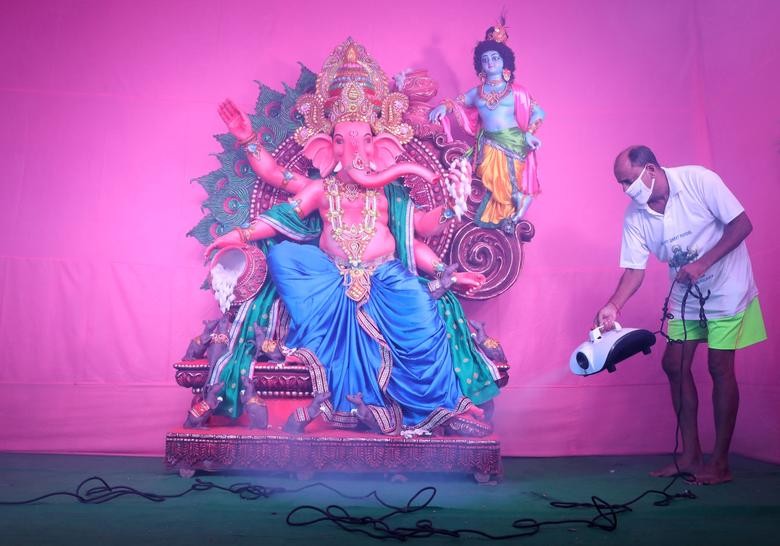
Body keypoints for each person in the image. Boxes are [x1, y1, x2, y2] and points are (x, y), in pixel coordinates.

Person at [205, 39, 499, 435]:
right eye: (342, 141)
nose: (354, 150)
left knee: (424, 319)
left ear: (379, 148)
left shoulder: (389, 194)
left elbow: (416, 238)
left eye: (363, 140)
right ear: (329, 149)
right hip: (331, 281)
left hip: (387, 278)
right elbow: (277, 197)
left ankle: (445, 410)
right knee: (285, 258)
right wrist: (247, 145)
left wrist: (449, 265)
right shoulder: (321, 189)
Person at [595, 145, 766, 485]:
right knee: (674, 364)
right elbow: (634, 270)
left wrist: (704, 262)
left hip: (726, 288)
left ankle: (719, 463)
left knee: (719, 366)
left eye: (628, 181)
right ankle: (689, 455)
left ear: (651, 170)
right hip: (686, 293)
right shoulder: (636, 216)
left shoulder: (698, 181)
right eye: (620, 184)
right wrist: (613, 305)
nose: (625, 190)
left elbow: (743, 224)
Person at [429, 18, 544, 231]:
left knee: (510, 186)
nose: (490, 62)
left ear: (505, 63)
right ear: (480, 65)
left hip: (514, 142)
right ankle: (517, 209)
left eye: (495, 57)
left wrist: (529, 133)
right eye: (485, 59)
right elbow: (457, 102)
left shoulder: (516, 91)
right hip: (488, 145)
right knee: (488, 177)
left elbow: (538, 111)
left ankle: (518, 209)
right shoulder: (477, 92)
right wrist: (444, 108)